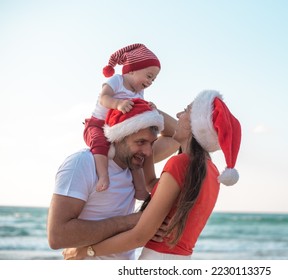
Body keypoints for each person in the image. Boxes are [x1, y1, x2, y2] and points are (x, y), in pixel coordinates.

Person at [63, 90, 241, 260]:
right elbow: (149, 183)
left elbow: (139, 237)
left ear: (197, 124)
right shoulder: (210, 169)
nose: (178, 114)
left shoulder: (180, 163)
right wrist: (149, 112)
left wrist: (84, 251)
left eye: (186, 110)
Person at [47, 98, 179, 259]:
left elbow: (177, 135)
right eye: (141, 142)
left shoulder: (137, 163)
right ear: (118, 137)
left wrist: (149, 110)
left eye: (151, 143)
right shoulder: (82, 163)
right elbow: (58, 236)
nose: (148, 152)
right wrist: (134, 221)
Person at [84, 43, 161, 192]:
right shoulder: (117, 81)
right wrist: (117, 104)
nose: (150, 82)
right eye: (149, 76)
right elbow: (104, 97)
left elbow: (139, 110)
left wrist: (150, 108)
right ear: (132, 70)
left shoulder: (139, 92)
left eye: (153, 80)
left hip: (118, 131)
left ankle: (141, 188)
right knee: (99, 144)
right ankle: (103, 176)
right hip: (98, 125)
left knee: (133, 153)